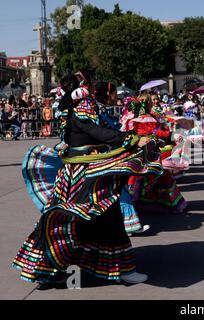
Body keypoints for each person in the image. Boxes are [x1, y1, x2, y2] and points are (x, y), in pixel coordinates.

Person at [12, 71, 163, 286]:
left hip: (79, 170)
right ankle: (121, 270)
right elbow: (94, 131)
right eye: (91, 83)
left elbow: (99, 130)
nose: (95, 86)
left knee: (78, 220)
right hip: (84, 173)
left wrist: (130, 137)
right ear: (86, 84)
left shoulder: (75, 104)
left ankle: (53, 266)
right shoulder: (83, 105)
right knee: (102, 216)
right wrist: (130, 139)